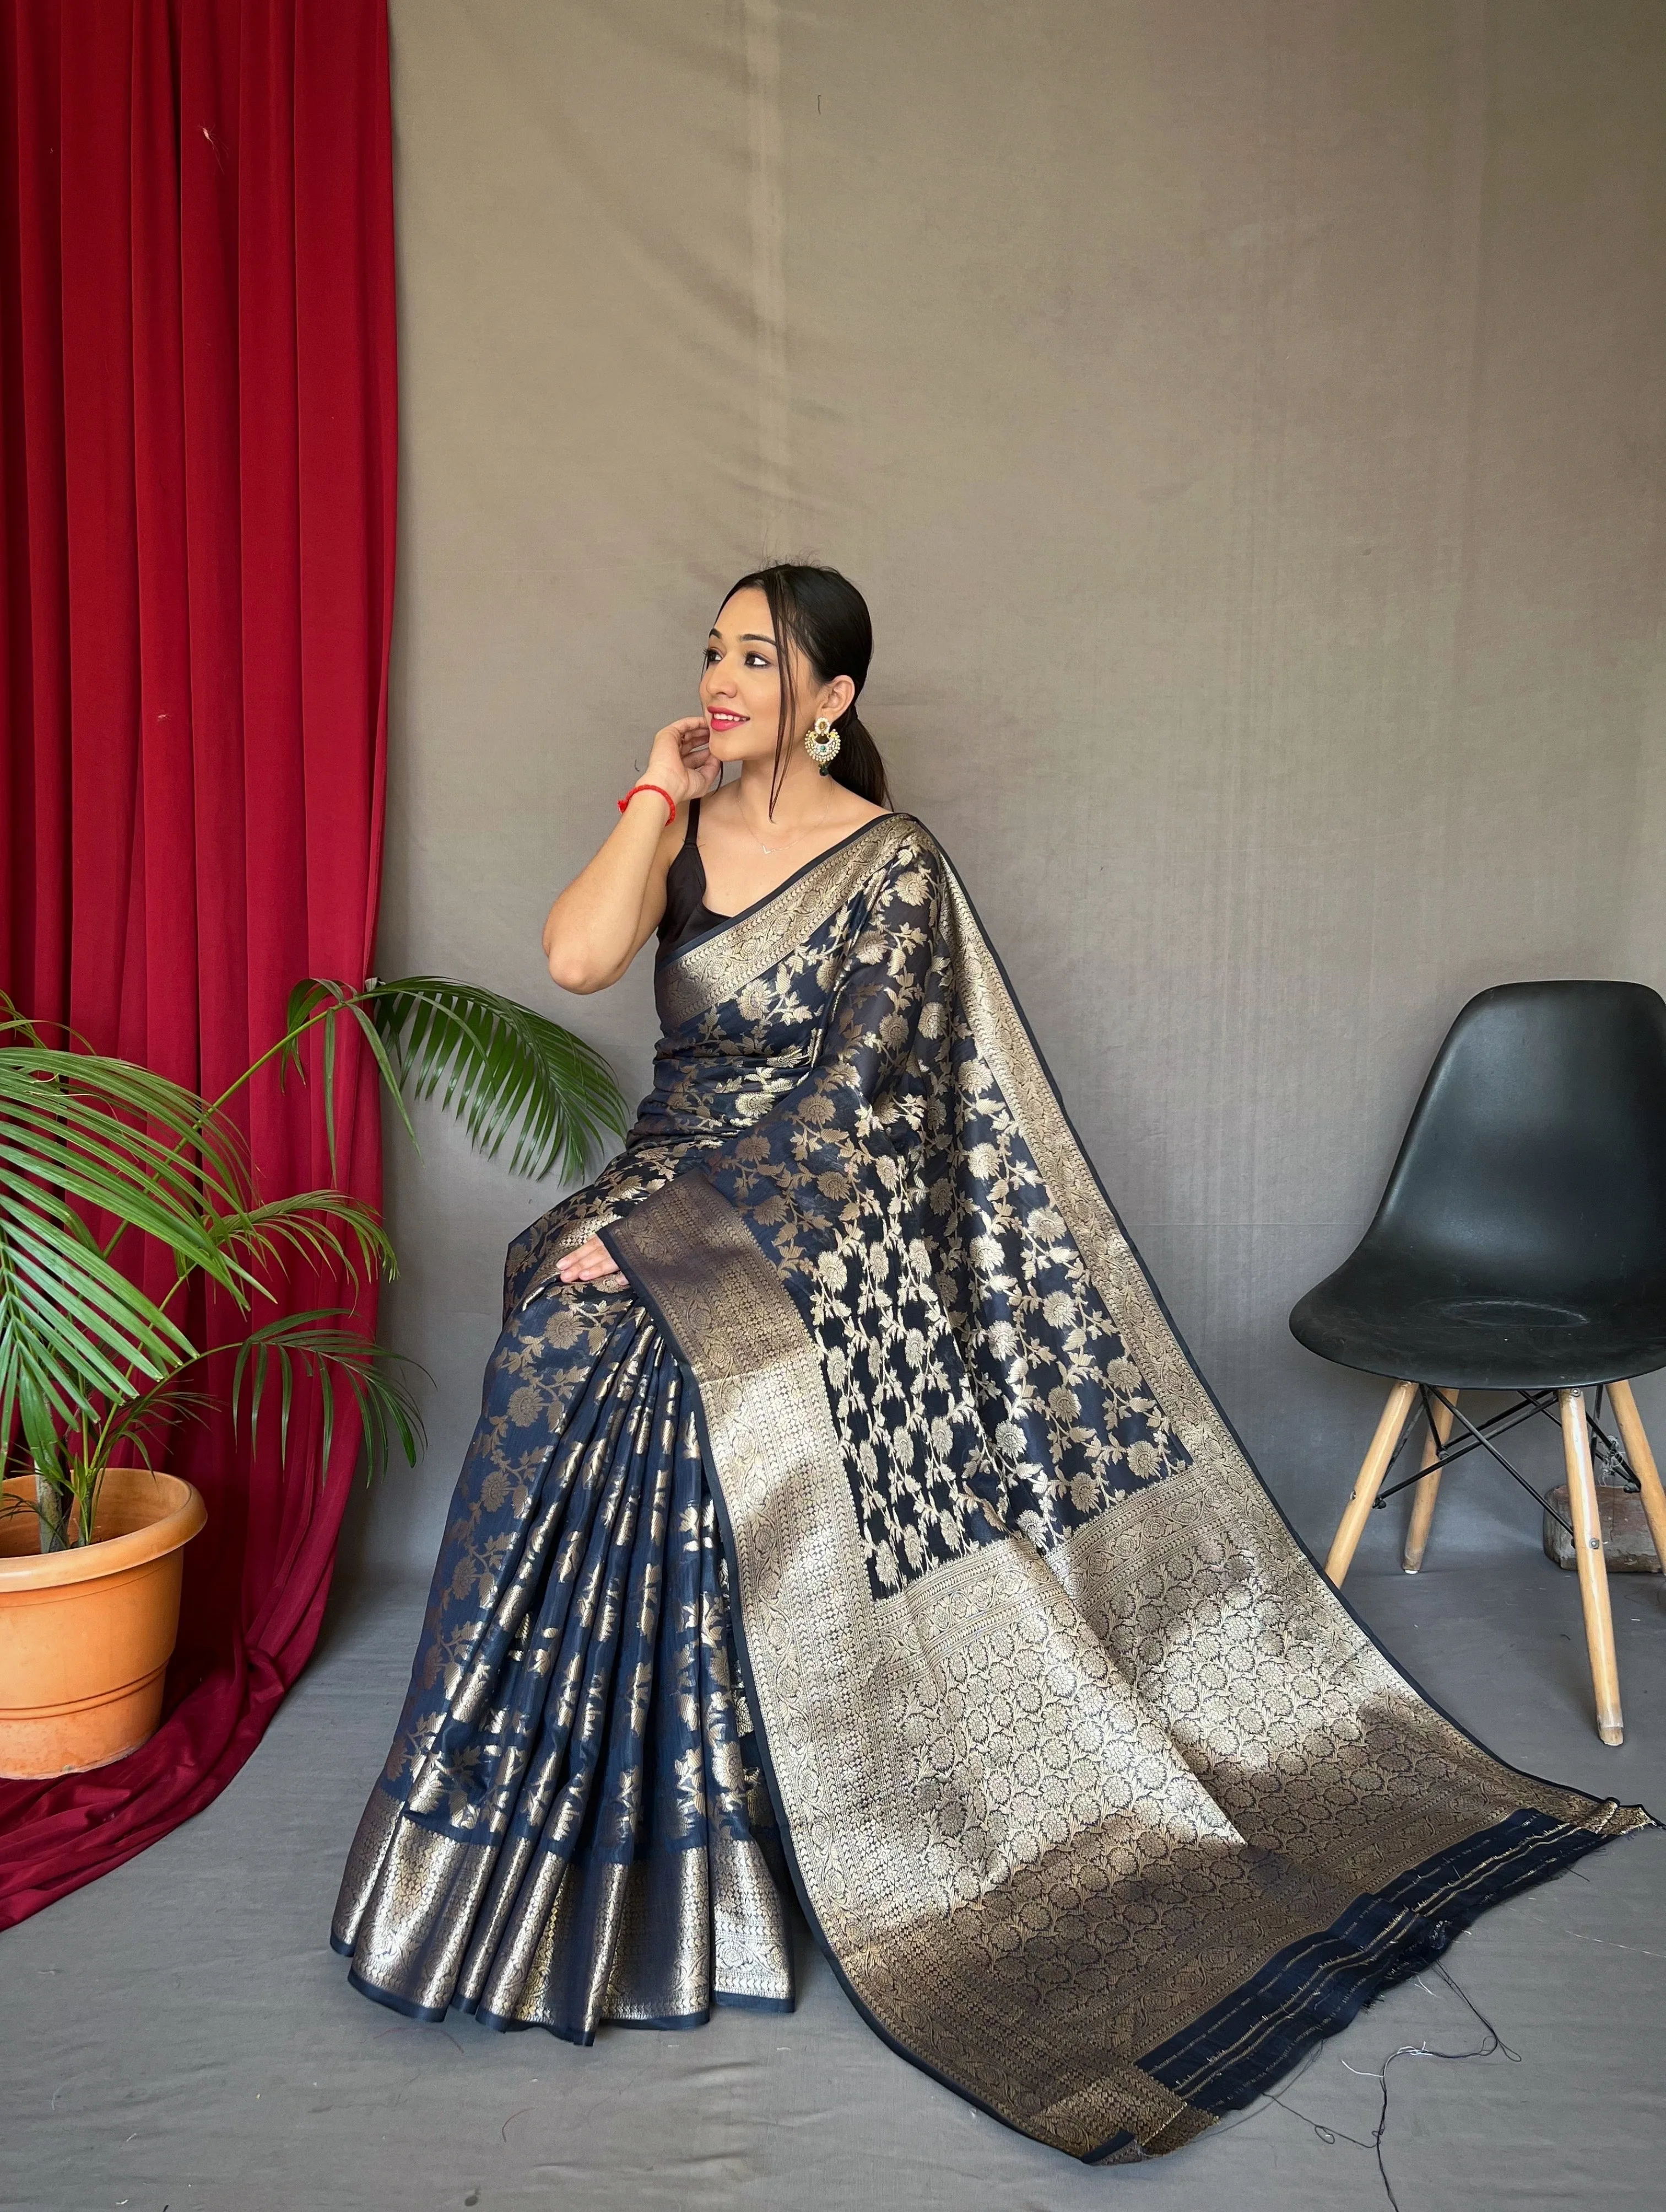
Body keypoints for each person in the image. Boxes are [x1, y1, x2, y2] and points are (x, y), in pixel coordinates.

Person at [333, 564, 1647, 2163]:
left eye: (765, 659)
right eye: (715, 652)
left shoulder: (892, 864)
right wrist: (652, 793)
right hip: (668, 1174)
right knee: (558, 1343)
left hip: (818, 1220)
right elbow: (576, 961)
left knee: (693, 1383)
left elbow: (871, 1100)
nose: (728, 679)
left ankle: (751, 1827)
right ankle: (569, 1839)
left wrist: (693, 1245)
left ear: (837, 702)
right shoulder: (678, 823)